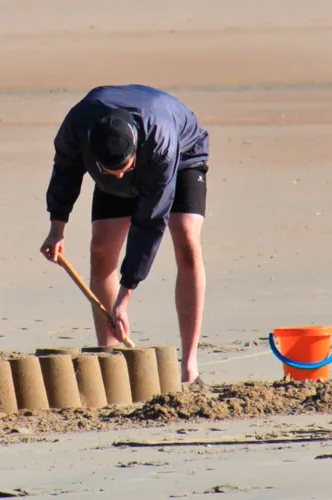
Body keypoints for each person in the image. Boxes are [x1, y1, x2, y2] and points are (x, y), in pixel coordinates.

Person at [40, 84, 210, 385]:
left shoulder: (160, 142)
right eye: (109, 171)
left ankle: (190, 366)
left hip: (182, 156)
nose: (119, 175)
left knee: (186, 241)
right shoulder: (78, 124)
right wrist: (57, 228)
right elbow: (65, 169)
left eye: (123, 169)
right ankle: (111, 361)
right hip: (116, 150)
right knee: (101, 248)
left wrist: (125, 294)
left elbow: (151, 220)